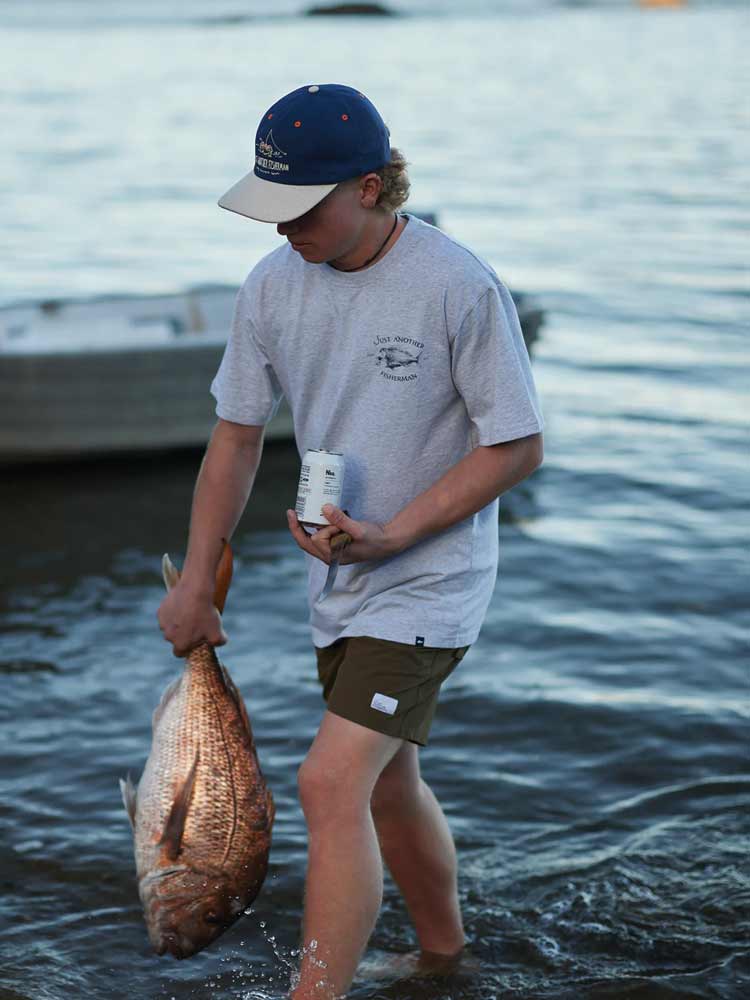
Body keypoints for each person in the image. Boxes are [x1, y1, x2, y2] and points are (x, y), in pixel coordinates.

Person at [157, 83, 544, 999]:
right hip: (340, 573)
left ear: (369, 188)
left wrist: (398, 533)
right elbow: (237, 437)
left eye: (304, 208)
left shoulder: (457, 284)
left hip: (430, 576)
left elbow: (518, 443)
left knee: (330, 782)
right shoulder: (271, 286)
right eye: (271, 206)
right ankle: (446, 955)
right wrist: (199, 581)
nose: (283, 228)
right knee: (386, 783)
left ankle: (315, 995)